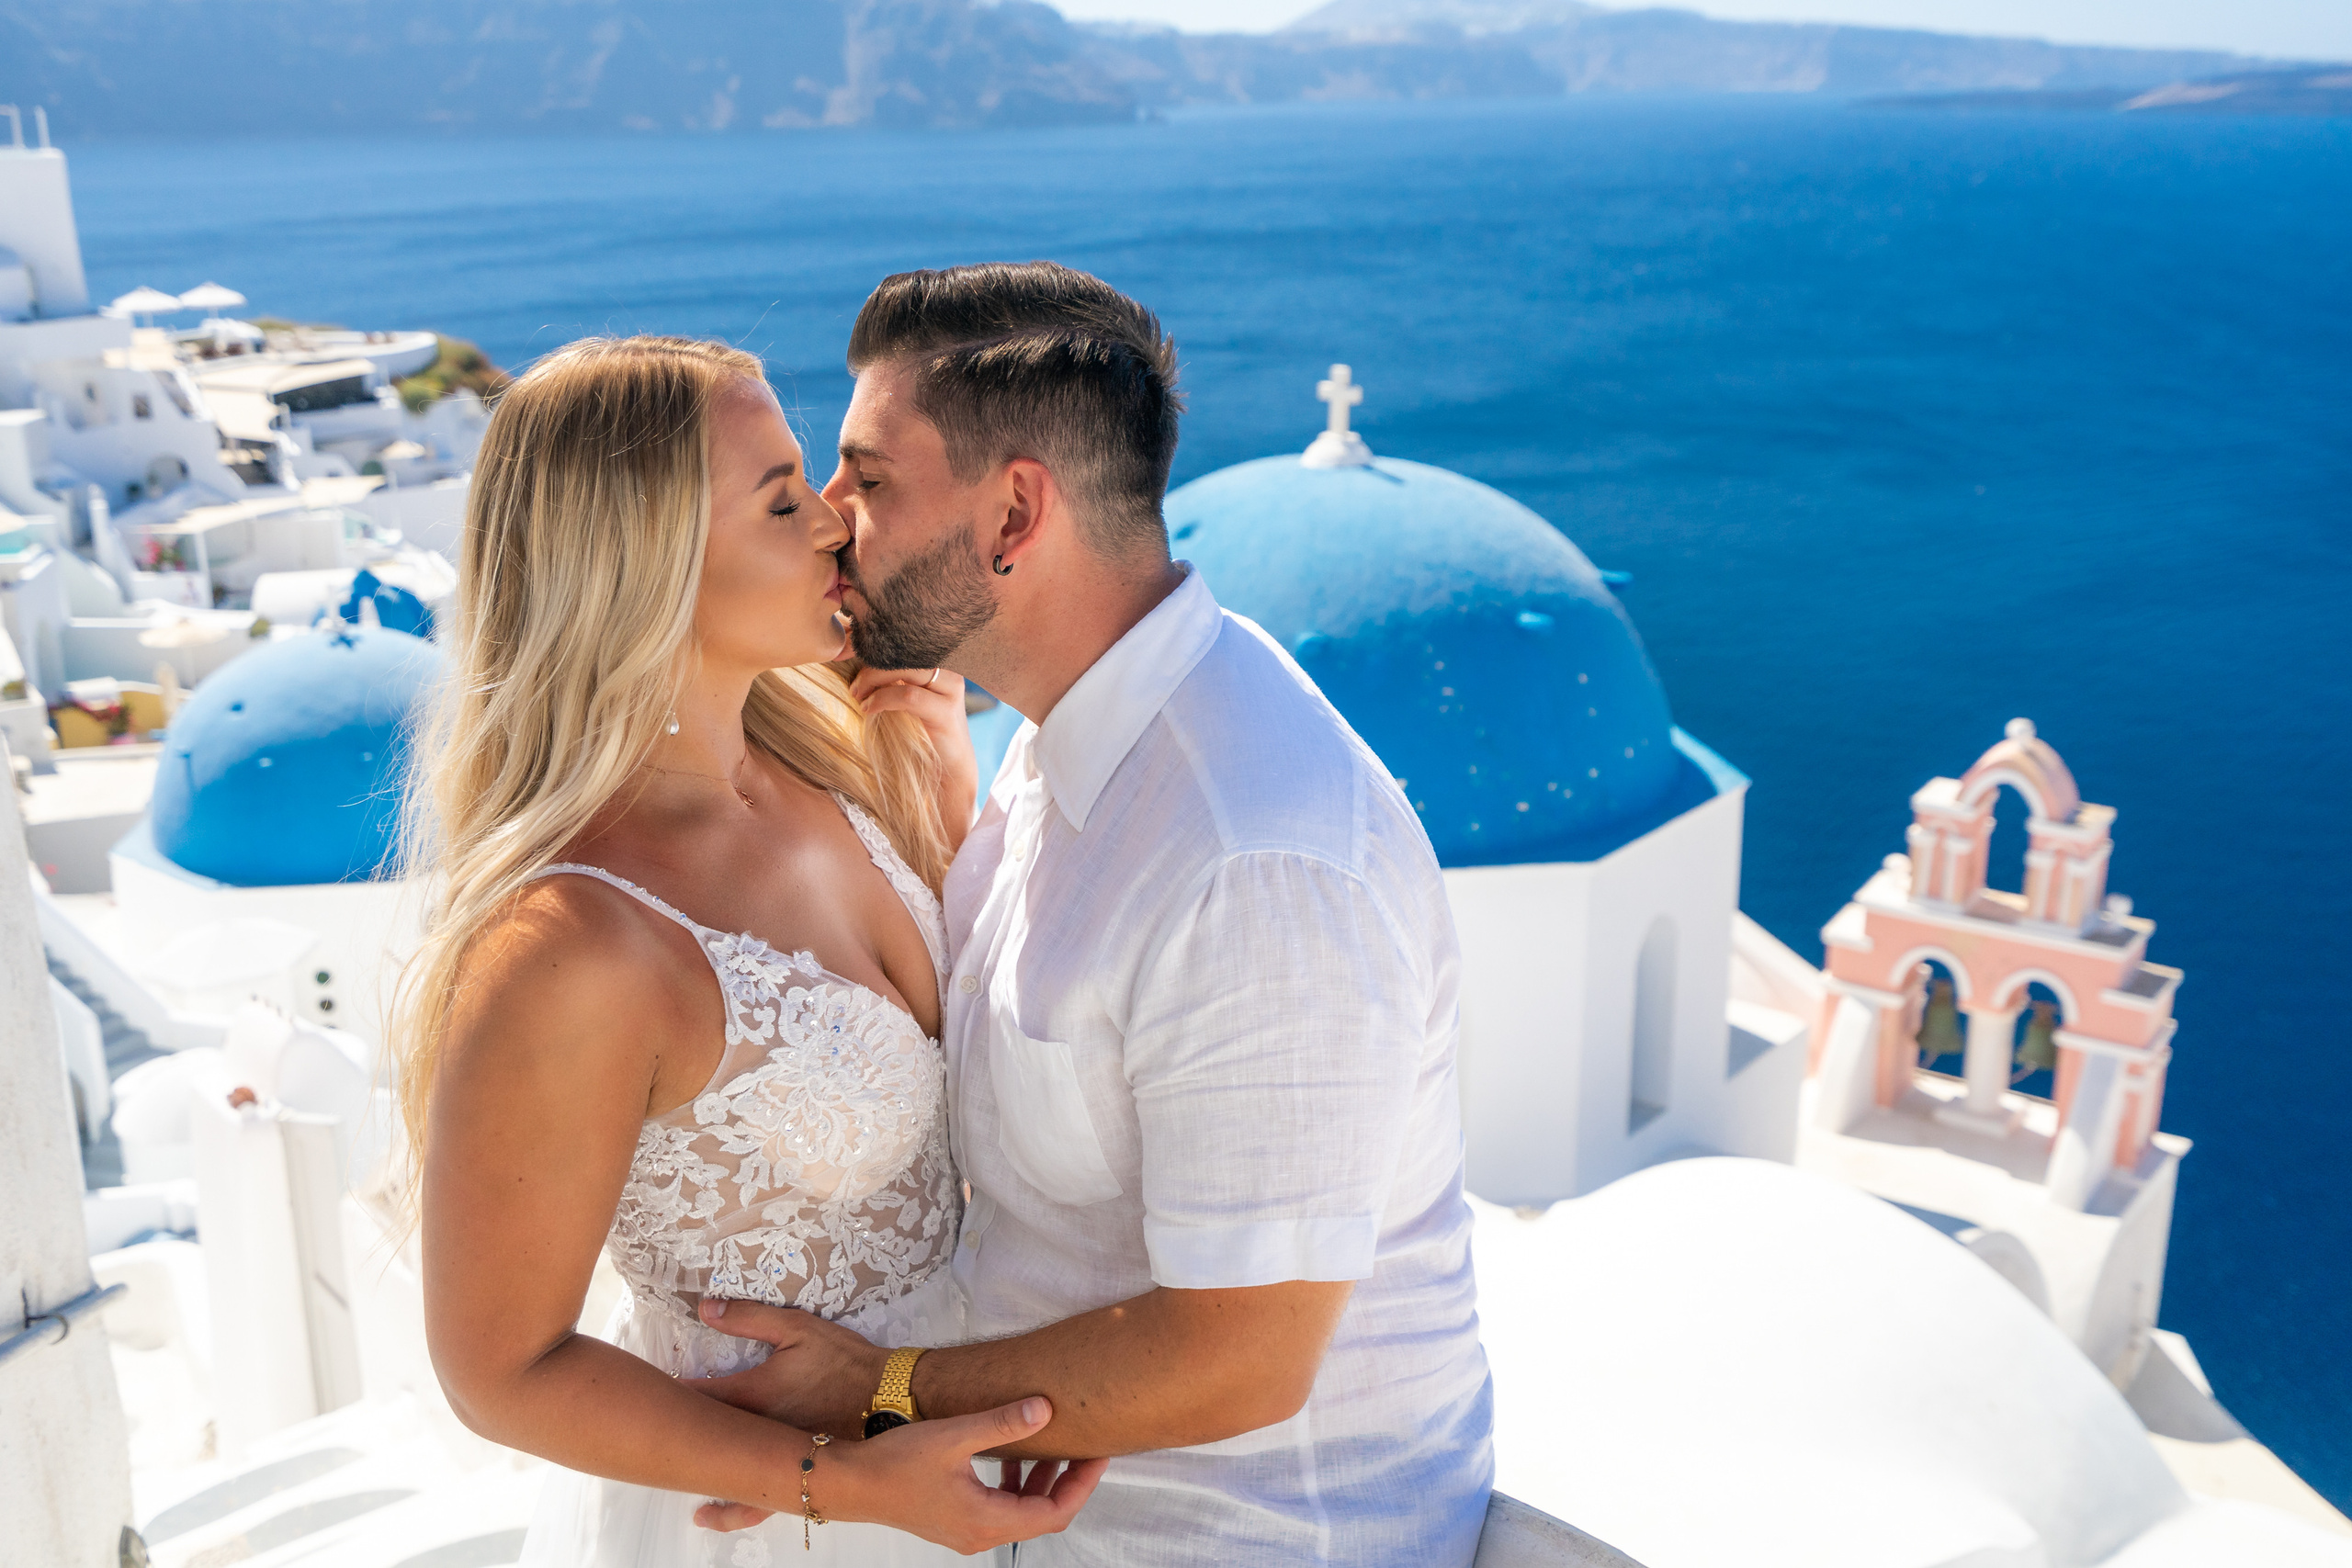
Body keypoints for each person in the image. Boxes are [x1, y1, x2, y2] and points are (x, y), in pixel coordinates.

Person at [690, 264, 1495, 1566]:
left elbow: (1242, 1355)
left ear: (1015, 513)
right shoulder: (1071, 732)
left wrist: (874, 1393)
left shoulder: (1253, 860)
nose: (833, 519)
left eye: (870, 480)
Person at [391, 333, 1104, 1566]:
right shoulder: (574, 942)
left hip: (937, 1457)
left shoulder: (826, 763)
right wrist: (848, 1486)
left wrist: (940, 783)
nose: (835, 521)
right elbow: (500, 1369)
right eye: (781, 501)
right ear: (643, 562)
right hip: (778, 1528)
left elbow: (956, 1054)